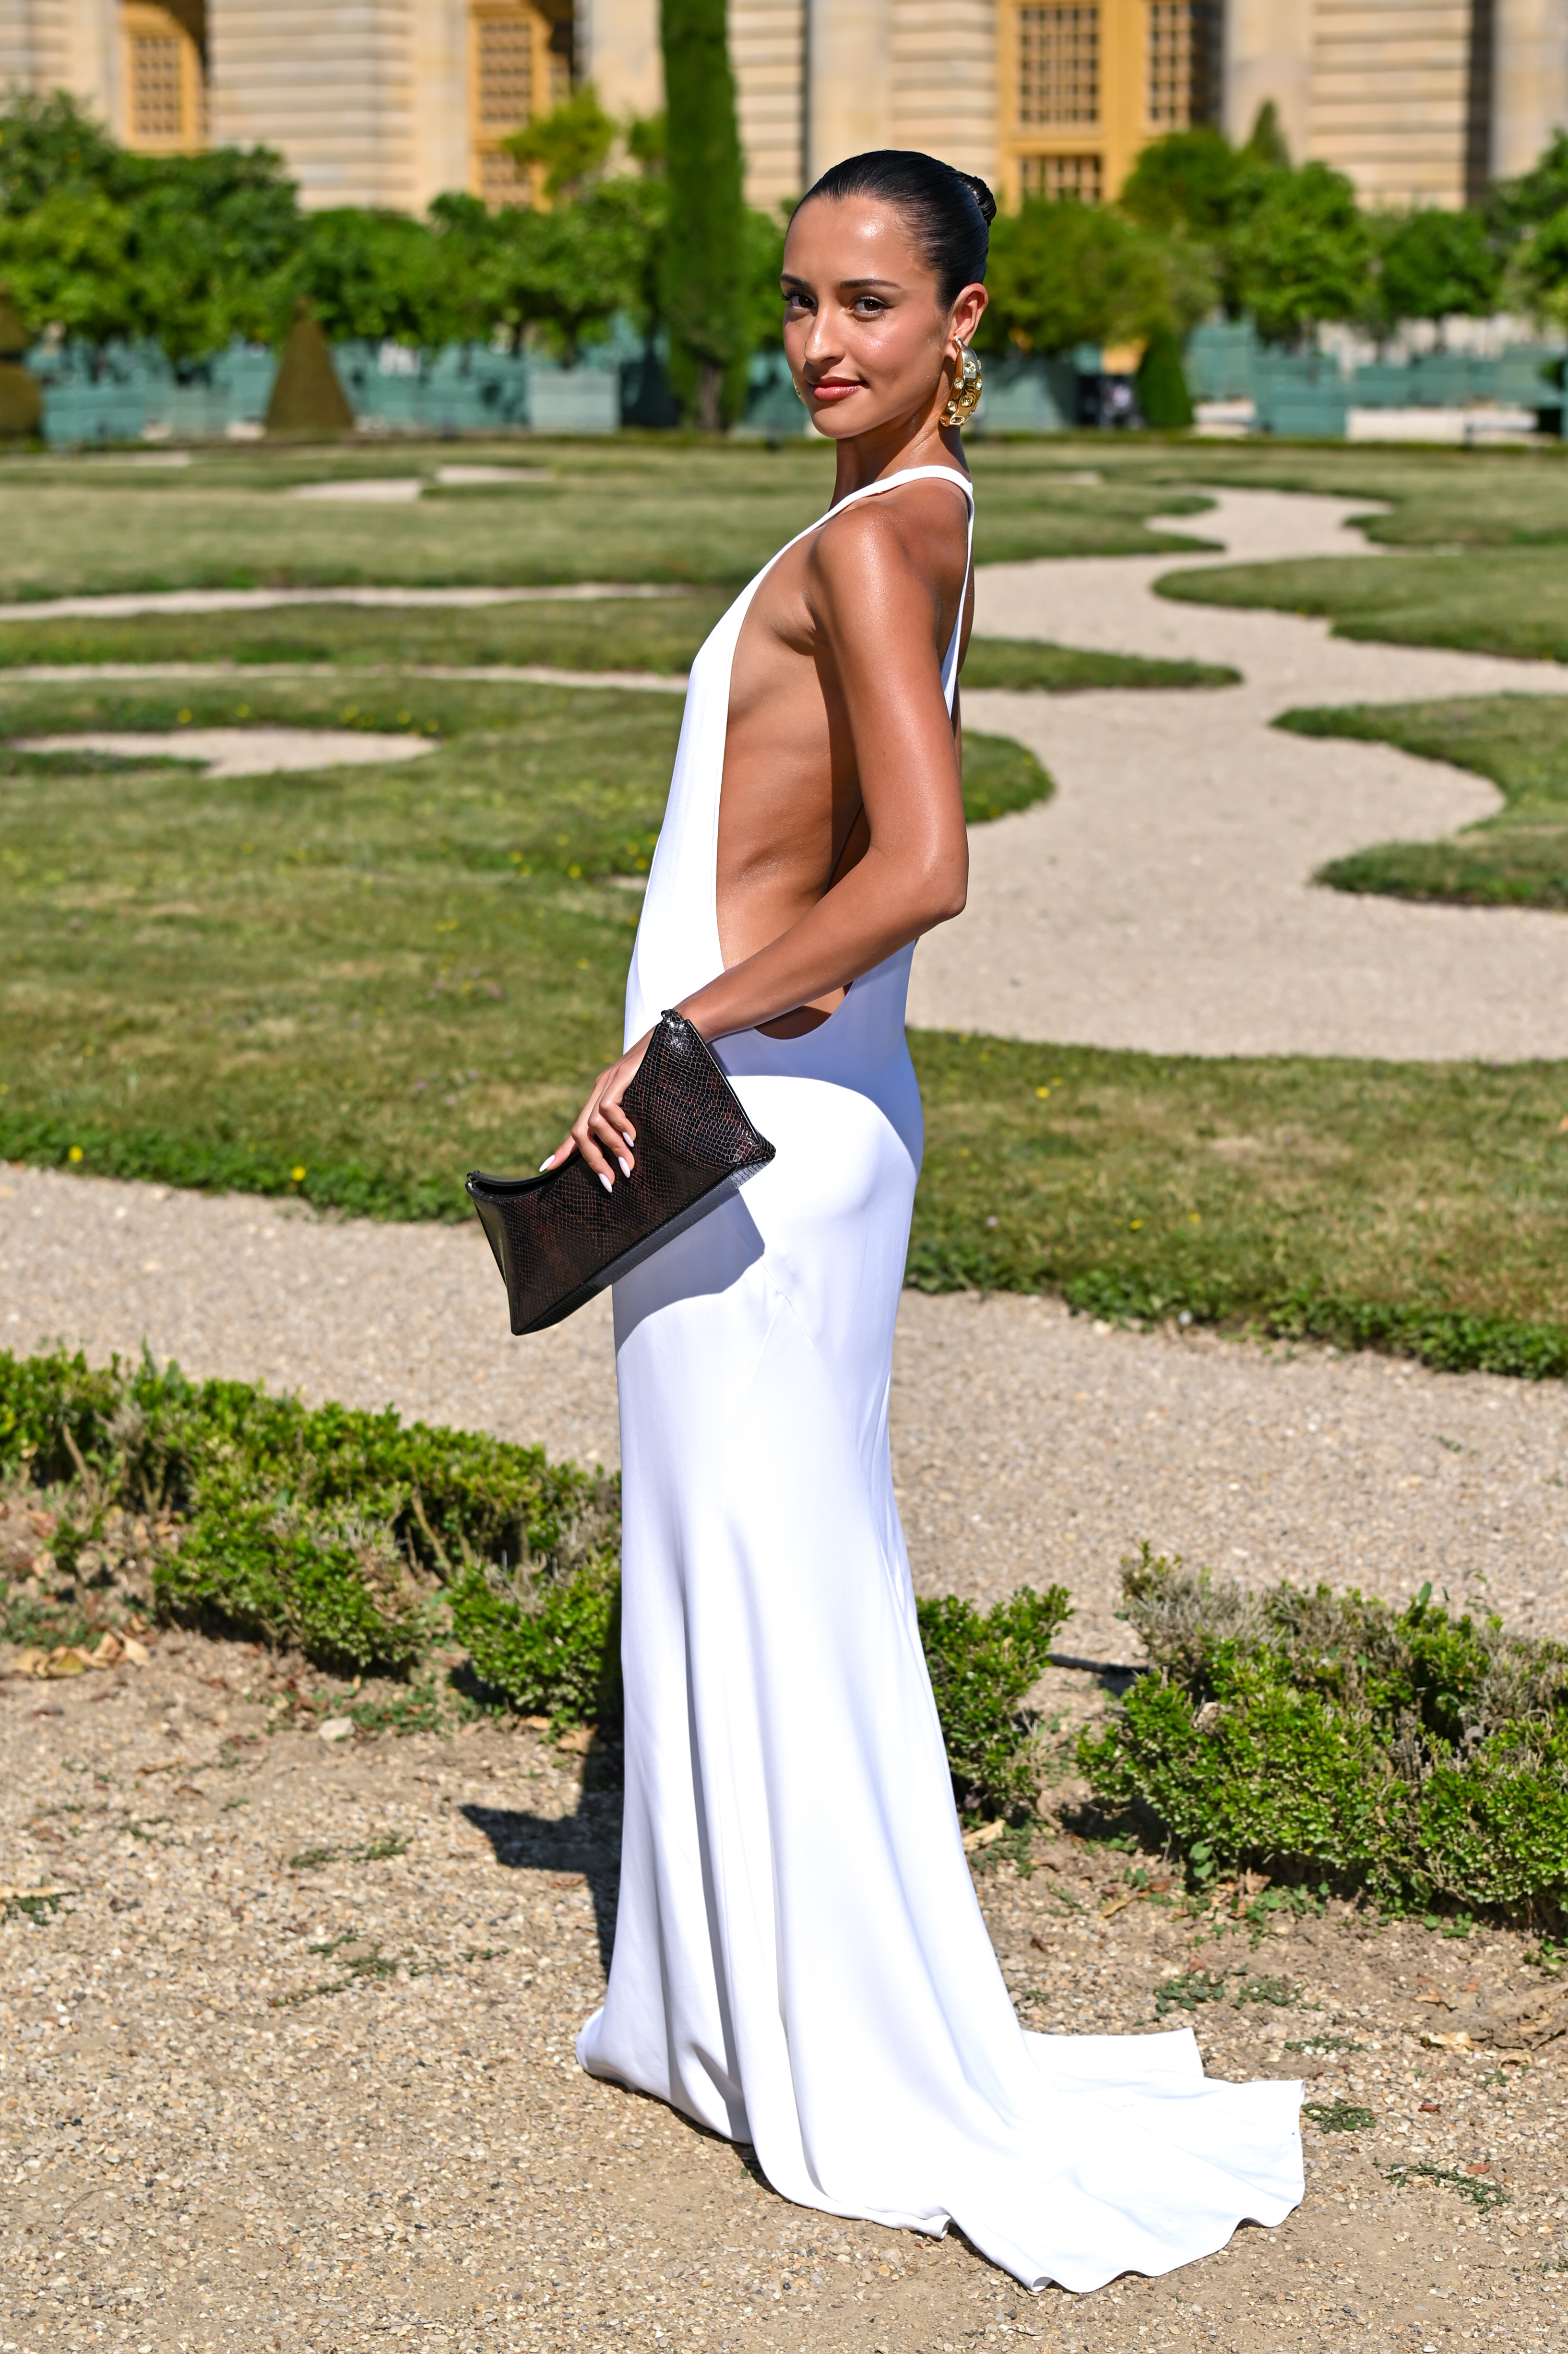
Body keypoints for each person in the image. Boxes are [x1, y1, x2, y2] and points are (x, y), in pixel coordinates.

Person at [541, 148, 1303, 2293]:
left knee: (766, 1560)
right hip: (791, 1108)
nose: (817, 342)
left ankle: (823, 2045)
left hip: (756, 1115)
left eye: (868, 305)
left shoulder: (885, 534)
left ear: (965, 326)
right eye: (798, 301)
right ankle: (737, 2013)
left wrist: (666, 1027)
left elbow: (922, 865)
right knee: (754, 1557)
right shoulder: (918, 518)